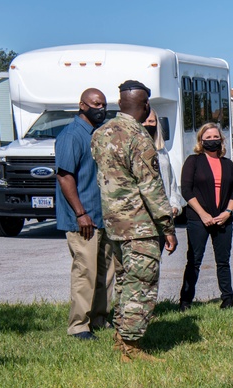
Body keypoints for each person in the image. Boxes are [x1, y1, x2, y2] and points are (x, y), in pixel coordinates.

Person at [91, 79, 177, 362]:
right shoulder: (139, 138)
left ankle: (120, 339)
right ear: (145, 105)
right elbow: (151, 187)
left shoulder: (101, 133)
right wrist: (167, 226)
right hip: (140, 226)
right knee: (141, 285)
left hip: (114, 225)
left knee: (126, 283)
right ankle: (131, 346)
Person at [55, 87, 114, 340]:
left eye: (103, 105)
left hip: (103, 216)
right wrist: (81, 213)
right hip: (83, 220)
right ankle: (79, 326)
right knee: (85, 272)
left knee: (106, 272)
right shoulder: (71, 135)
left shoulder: (98, 134)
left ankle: (100, 319)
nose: (100, 109)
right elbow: (64, 175)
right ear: (82, 105)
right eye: (95, 104)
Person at [179, 123, 233, 310]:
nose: (212, 140)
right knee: (194, 260)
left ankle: (227, 299)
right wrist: (203, 214)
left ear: (221, 140)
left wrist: (227, 212)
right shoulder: (193, 161)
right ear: (201, 140)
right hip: (199, 219)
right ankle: (185, 301)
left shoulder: (227, 164)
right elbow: (187, 190)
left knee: (223, 261)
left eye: (216, 137)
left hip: (223, 219)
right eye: (208, 137)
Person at [142, 108, 186, 243]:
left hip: (163, 216)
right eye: (144, 121)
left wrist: (174, 204)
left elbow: (170, 182)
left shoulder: (162, 151)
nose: (147, 124)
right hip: (143, 219)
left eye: (151, 121)